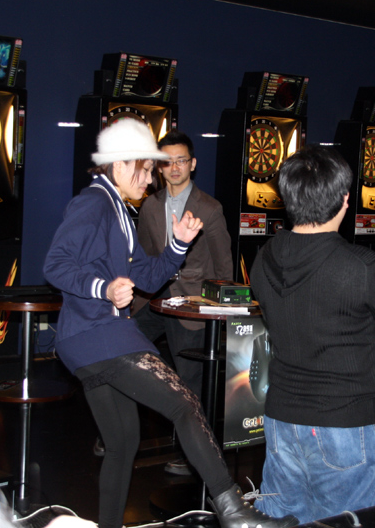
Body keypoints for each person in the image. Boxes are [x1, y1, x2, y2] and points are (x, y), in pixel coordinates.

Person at [43, 118, 298, 528]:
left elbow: (146, 277)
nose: (150, 180)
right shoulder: (94, 203)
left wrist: (178, 243)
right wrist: (104, 288)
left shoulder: (118, 209)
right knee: (184, 404)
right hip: (98, 334)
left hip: (90, 339)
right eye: (146, 170)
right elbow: (55, 264)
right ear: (121, 165)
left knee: (122, 443)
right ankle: (235, 513)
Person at [249, 145, 375, 523]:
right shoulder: (360, 266)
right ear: (344, 200)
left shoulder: (264, 257)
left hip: (280, 416)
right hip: (343, 421)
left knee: (280, 519)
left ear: (287, 197)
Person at [131, 130, 233, 475]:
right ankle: (121, 435)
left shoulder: (210, 208)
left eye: (181, 161)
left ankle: (195, 456)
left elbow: (223, 265)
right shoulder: (150, 205)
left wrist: (219, 311)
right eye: (167, 162)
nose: (174, 167)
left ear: (193, 164)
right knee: (122, 354)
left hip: (191, 304)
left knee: (191, 380)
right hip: (154, 298)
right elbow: (145, 256)